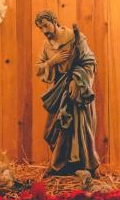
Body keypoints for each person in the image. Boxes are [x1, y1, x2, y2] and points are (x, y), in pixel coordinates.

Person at [34, 10, 100, 177]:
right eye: (41, 28)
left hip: (78, 91)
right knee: (55, 128)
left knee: (79, 126)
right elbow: (38, 68)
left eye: (46, 26)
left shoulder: (75, 37)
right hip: (59, 90)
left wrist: (77, 81)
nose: (44, 31)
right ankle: (60, 165)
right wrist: (52, 61)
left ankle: (85, 165)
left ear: (54, 22)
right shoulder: (47, 45)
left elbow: (90, 61)